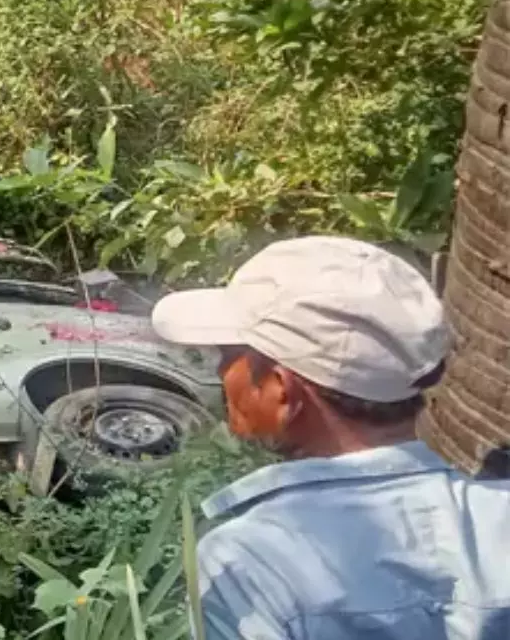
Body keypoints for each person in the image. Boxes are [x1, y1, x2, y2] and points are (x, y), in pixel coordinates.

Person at [151, 236, 510, 640]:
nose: (220, 373)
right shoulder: (499, 518)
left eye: (227, 356)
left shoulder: (251, 559)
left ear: (280, 388)